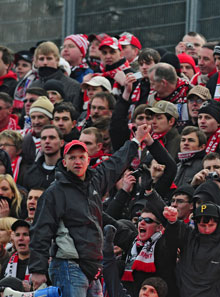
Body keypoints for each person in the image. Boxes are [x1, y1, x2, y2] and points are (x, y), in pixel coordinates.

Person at [28, 124, 152, 296]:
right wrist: (38, 269)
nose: (77, 162)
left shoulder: (95, 181)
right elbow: (41, 229)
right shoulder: (55, 192)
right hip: (68, 265)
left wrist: (137, 140)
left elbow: (116, 162)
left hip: (92, 267)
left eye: (81, 157)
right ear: (64, 162)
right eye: (72, 158)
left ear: (88, 159)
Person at [21, 125, 64, 190]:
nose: (47, 141)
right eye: (44, 138)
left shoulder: (67, 171)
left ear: (61, 143)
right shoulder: (30, 173)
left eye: (52, 138)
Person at [2, 219, 32, 287]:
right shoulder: (7, 264)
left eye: (25, 234)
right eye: (17, 235)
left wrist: (31, 289)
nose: (20, 238)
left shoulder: (41, 264)